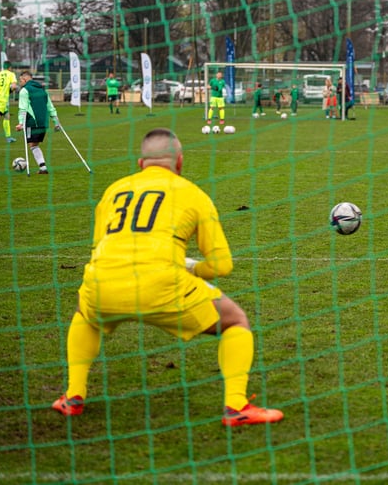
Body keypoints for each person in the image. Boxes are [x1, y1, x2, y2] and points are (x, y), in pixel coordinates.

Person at [51, 128, 284, 427]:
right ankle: (236, 406)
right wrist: (192, 268)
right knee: (235, 320)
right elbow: (222, 265)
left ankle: (73, 397)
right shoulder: (192, 194)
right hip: (162, 286)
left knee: (84, 315)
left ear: (140, 163)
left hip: (102, 285)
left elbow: (98, 246)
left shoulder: (113, 191)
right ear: (179, 162)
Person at [14, 71, 60, 175]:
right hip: (43, 123)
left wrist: (21, 123)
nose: (19, 82)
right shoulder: (42, 90)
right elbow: (51, 107)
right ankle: (43, 168)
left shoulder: (24, 90)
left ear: (25, 80)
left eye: (20, 80)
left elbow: (23, 108)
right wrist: (56, 121)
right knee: (34, 144)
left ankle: (43, 168)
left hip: (32, 122)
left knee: (32, 145)